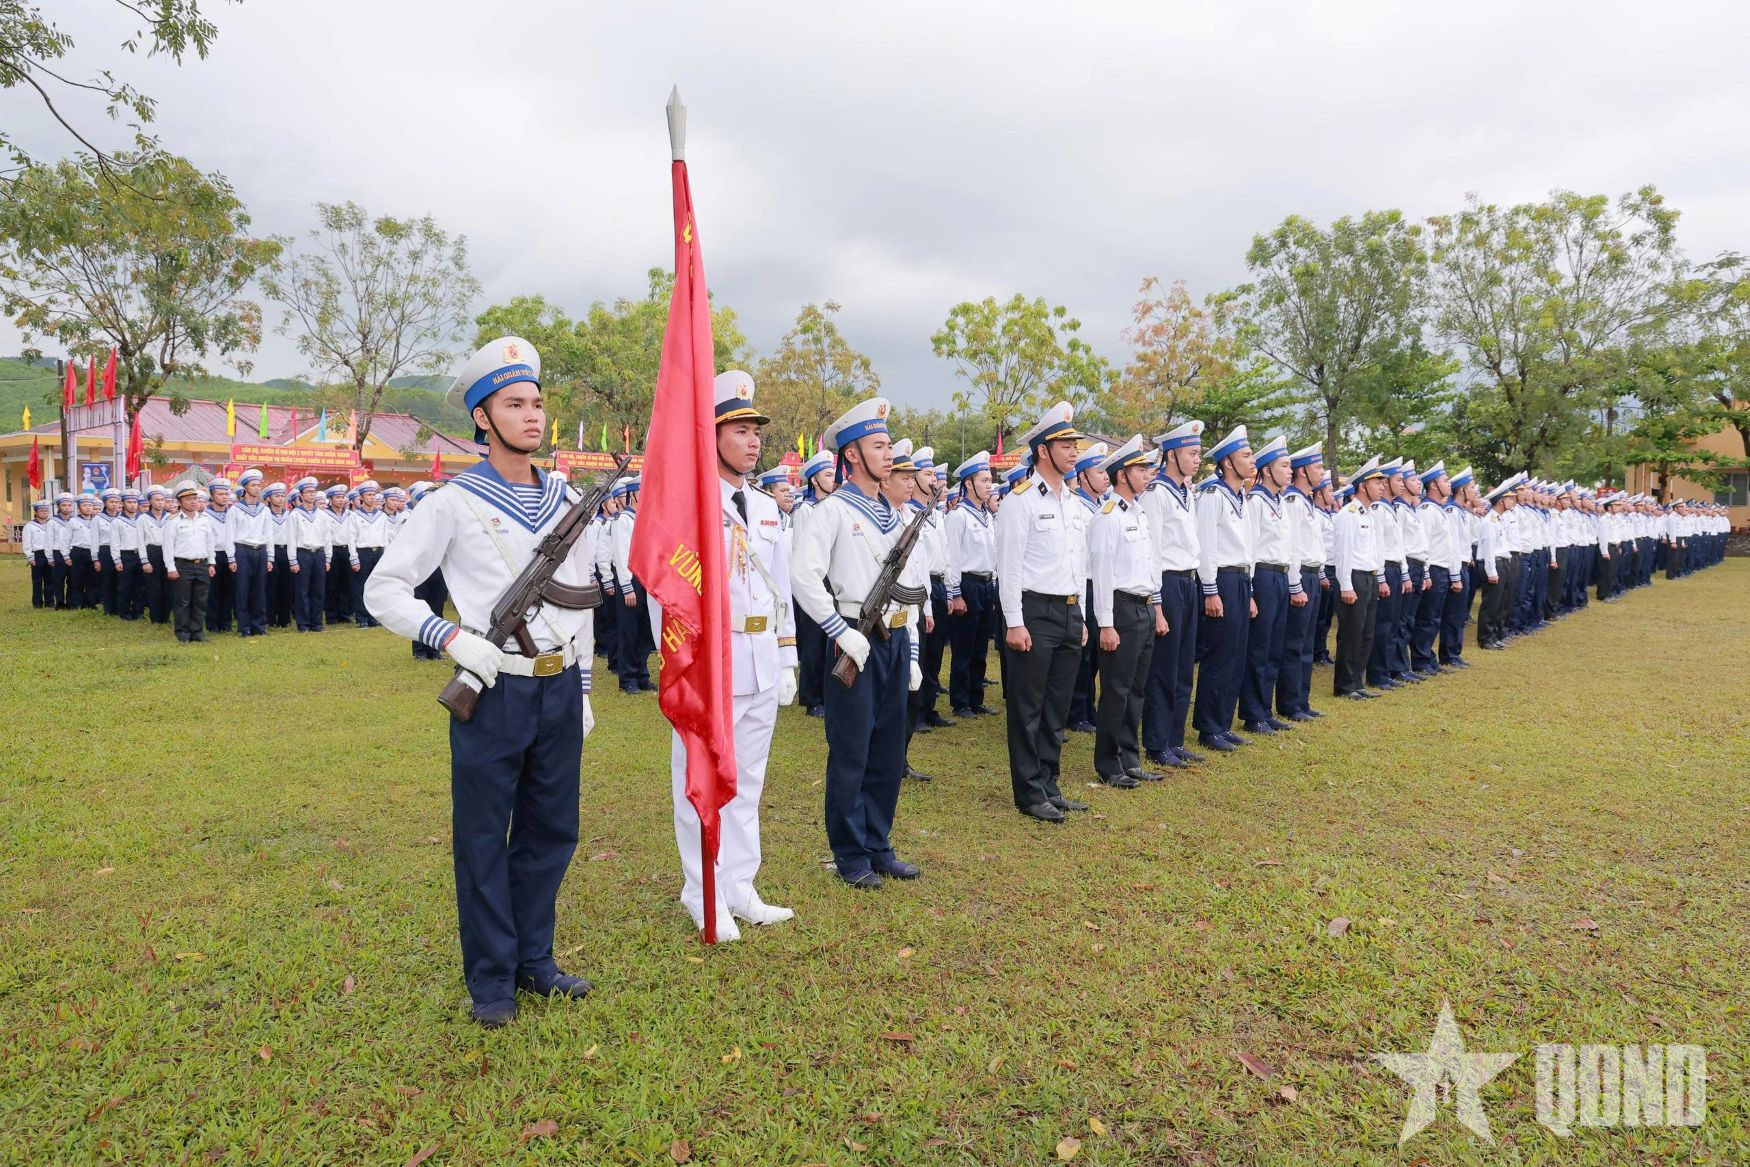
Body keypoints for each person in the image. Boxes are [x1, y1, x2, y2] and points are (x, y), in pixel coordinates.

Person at [365, 335, 597, 1029]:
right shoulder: (452, 502)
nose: (531, 416)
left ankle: (535, 959)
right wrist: (451, 635)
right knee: (482, 837)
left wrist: (582, 691)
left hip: (557, 687)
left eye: (536, 403)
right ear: (483, 419)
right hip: (492, 688)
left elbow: (582, 592)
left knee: (553, 830)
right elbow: (384, 590)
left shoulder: (568, 497)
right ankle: (492, 978)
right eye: (513, 404)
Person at [668, 370, 798, 941]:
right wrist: (682, 664)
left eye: (755, 431)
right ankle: (702, 892)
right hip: (711, 667)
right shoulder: (689, 508)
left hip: (762, 658)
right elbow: (668, 598)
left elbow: (782, 587)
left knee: (748, 783)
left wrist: (788, 655)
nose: (752, 441)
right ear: (711, 434)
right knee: (701, 785)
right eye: (739, 429)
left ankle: (740, 886)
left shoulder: (767, 507)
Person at [791, 395, 924, 887]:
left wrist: (907, 649)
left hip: (892, 636)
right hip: (853, 636)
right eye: (878, 445)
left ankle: (878, 842)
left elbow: (907, 589)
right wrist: (840, 632)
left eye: (889, 444)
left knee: (889, 747)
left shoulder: (892, 514)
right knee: (851, 751)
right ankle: (850, 853)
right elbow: (804, 578)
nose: (888, 454)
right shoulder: (830, 512)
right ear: (851, 455)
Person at [994, 401, 1092, 823]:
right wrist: (1014, 621)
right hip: (1034, 612)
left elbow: (1078, 564)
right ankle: (1029, 791)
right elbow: (1009, 566)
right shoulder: (1021, 501)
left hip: (1069, 611)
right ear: (1042, 451)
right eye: (1064, 444)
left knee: (1057, 707)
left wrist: (1083, 615)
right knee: (1028, 706)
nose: (1074, 451)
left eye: (1074, 444)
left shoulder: (1072, 500)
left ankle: (1050, 782)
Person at [1087, 436, 1167, 788]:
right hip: (1120, 608)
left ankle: (1130, 758)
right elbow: (1102, 575)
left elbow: (1150, 565)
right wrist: (1106, 623)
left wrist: (1157, 608)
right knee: (1116, 689)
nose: (1147, 474)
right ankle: (1108, 763)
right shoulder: (1108, 517)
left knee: (1136, 689)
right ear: (1122, 474)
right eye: (1140, 469)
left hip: (1144, 606)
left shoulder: (1140, 512)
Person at [1139, 420, 1204, 769]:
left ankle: (1174, 739)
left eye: (1198, 453)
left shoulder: (1186, 493)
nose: (1197, 459)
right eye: (1191, 453)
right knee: (1163, 667)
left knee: (1183, 665)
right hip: (1167, 582)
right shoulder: (1157, 493)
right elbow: (1153, 552)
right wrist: (1158, 606)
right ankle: (1156, 741)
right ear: (1173, 455)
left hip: (1188, 580)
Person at [1191, 426, 1257, 753]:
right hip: (1223, 580)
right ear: (1228, 462)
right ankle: (1209, 726)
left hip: (1241, 579)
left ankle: (1224, 722)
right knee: (1219, 656)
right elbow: (1207, 546)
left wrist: (1252, 590)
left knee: (1236, 654)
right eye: (1246, 455)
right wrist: (1211, 590)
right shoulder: (1213, 496)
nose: (1252, 460)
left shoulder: (1240, 496)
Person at [1238, 434, 1300, 736]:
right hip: (1261, 575)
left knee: (1275, 646)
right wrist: (1250, 590)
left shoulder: (1280, 502)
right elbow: (1248, 549)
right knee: (1259, 647)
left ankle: (1265, 709)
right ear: (1266, 470)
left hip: (1279, 575)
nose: (1290, 471)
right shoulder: (1256, 502)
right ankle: (1252, 712)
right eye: (1284, 466)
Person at [944, 450, 999, 721]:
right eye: (984, 480)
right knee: (964, 646)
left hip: (986, 584)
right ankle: (961, 700)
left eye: (990, 480)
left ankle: (977, 698)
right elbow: (952, 557)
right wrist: (954, 593)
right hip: (967, 584)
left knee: (980, 647)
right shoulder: (959, 516)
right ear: (968, 483)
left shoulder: (987, 515)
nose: (989, 485)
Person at [1276, 443, 1327, 722]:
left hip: (1311, 574)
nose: (1322, 471)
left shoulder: (1306, 500)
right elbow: (1293, 547)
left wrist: (1318, 574)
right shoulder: (1294, 501)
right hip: (1299, 576)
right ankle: (1289, 702)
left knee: (1307, 643)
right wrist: (1295, 585)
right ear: (1304, 471)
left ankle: (1302, 701)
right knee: (1294, 643)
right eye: (1318, 467)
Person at [1332, 459, 1390, 699]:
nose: (1382, 486)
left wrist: (1380, 576)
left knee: (1366, 633)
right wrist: (1345, 584)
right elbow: (1343, 553)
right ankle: (1345, 686)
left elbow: (1376, 550)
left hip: (1370, 577)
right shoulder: (1349, 514)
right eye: (1377, 482)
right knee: (1351, 633)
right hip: (1354, 578)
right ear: (1363, 486)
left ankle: (1357, 682)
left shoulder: (1370, 514)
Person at [906, 446, 955, 735]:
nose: (934, 479)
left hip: (937, 584)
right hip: (919, 589)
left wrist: (949, 590)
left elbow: (945, 554)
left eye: (934, 473)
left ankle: (930, 704)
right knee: (920, 652)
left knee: (936, 652)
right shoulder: (911, 514)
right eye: (927, 474)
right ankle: (918, 710)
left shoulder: (936, 513)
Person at [789, 449, 837, 718]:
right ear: (815, 480)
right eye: (828, 475)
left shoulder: (831, 506)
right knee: (813, 642)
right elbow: (802, 551)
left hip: (831, 580)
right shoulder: (806, 510)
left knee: (829, 640)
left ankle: (826, 693)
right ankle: (810, 697)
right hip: (813, 582)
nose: (833, 479)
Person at [1066, 442, 1110, 734]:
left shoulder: (1102, 506)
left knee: (1096, 652)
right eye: (1099, 471)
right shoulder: (1075, 506)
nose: (1106, 476)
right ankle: (1076, 711)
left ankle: (1089, 708)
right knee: (1082, 654)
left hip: (1101, 583)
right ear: (1082, 477)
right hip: (1084, 584)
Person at [164, 481, 216, 643]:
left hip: (202, 564)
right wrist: (170, 567)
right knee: (183, 601)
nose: (193, 502)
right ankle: (183, 633)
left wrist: (212, 563)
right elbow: (167, 546)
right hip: (182, 565)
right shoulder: (173, 521)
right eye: (188, 499)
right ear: (179, 502)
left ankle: (197, 632)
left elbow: (210, 543)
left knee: (200, 601)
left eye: (195, 498)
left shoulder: (204, 520)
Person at [228, 469, 272, 637]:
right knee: (242, 590)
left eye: (259, 485)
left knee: (259, 590)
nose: (257, 488)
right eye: (253, 485)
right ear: (245, 487)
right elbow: (230, 535)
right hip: (242, 551)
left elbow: (269, 535)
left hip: (260, 552)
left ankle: (259, 625)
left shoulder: (264, 510)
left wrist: (270, 556)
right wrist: (231, 557)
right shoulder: (235, 509)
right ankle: (244, 626)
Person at [288, 477, 332, 633]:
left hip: (319, 554)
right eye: (308, 492)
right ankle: (303, 623)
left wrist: (328, 558)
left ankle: (317, 623)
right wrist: (293, 560)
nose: (312, 495)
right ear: (301, 495)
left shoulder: (322, 514)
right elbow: (291, 538)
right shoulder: (295, 514)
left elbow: (327, 538)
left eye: (314, 492)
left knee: (318, 590)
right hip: (303, 553)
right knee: (302, 590)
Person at [347, 480, 390, 628]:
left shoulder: (381, 516)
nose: (372, 497)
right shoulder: (355, 515)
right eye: (369, 495)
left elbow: (386, 538)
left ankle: (374, 616)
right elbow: (351, 538)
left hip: (378, 552)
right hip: (362, 552)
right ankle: (362, 617)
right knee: (360, 587)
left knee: (375, 587)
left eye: (374, 494)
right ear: (361, 497)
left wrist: (387, 556)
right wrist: (354, 558)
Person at [203, 478, 237, 634]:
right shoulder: (204, 516)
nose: (225, 497)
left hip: (230, 554)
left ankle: (226, 623)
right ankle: (212, 623)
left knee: (229, 590)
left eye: (227, 494)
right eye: (220, 494)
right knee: (213, 591)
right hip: (213, 555)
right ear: (212, 495)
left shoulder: (233, 513)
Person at [108, 489, 146, 621]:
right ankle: (124, 611)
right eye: (129, 502)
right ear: (123, 503)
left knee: (140, 585)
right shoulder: (117, 522)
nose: (132, 505)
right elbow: (114, 542)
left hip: (140, 555)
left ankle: (138, 611)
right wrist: (117, 560)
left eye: (135, 502)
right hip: (126, 555)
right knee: (125, 585)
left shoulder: (143, 519)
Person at [264, 482, 295, 629]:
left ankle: (284, 618)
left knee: (287, 586)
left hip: (287, 551)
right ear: (269, 498)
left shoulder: (290, 515)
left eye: (283, 496)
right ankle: (269, 618)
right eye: (277, 496)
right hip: (271, 552)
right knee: (270, 586)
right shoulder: (264, 514)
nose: (281, 499)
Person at [94, 488, 121, 616]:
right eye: (111, 502)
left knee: (120, 580)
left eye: (117, 502)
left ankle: (119, 606)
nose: (115, 504)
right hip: (105, 550)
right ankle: (109, 608)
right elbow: (94, 540)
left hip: (121, 550)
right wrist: (95, 559)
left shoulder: (122, 518)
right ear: (105, 503)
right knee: (107, 580)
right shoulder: (98, 519)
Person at [24, 499, 51, 608]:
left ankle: (50, 602)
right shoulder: (30, 526)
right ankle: (37, 603)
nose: (44, 513)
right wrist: (30, 557)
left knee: (50, 580)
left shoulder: (51, 524)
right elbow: (27, 543)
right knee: (37, 581)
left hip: (50, 554)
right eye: (41, 511)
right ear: (36, 512)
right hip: (37, 555)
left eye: (46, 511)